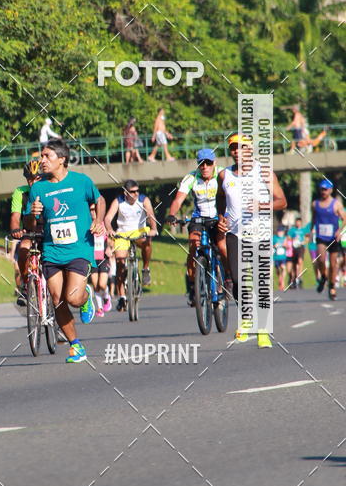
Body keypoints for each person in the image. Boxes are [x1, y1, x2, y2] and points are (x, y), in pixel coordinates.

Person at [26, 139, 105, 363]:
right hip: (52, 250)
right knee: (56, 299)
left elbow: (100, 200)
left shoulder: (81, 181)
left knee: (73, 297)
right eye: (41, 156)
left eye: (46, 156)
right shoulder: (38, 187)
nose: (41, 160)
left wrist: (99, 220)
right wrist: (32, 213)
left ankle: (86, 295)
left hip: (79, 248)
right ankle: (76, 346)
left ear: (61, 159)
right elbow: (30, 224)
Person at [216, 133, 287, 348]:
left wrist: (261, 206)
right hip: (235, 233)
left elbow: (282, 201)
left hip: (260, 234)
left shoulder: (264, 173)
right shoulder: (224, 175)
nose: (237, 152)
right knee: (238, 279)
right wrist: (221, 217)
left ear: (251, 150)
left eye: (241, 148)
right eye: (234, 149)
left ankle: (263, 330)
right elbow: (221, 197)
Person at [166, 148, 228, 307]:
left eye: (208, 163)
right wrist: (172, 214)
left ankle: (228, 279)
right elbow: (178, 200)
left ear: (214, 163)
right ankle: (193, 285)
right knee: (193, 245)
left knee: (222, 247)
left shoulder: (222, 174)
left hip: (218, 218)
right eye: (201, 163)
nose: (205, 167)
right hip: (198, 219)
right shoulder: (191, 178)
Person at [104, 180, 157, 311]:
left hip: (139, 231)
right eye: (132, 192)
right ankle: (122, 297)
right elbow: (108, 218)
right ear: (125, 192)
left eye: (137, 191)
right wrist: (110, 229)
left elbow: (150, 214)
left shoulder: (144, 200)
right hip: (123, 233)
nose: (136, 194)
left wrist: (153, 228)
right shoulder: (118, 201)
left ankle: (145, 269)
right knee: (120, 262)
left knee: (147, 243)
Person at [9, 159, 42, 305]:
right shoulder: (20, 192)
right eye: (29, 179)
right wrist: (15, 230)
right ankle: (25, 286)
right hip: (29, 230)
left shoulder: (50, 189)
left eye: (36, 178)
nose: (32, 182)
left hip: (48, 230)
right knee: (23, 250)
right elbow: (15, 216)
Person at [311, 178, 345, 301]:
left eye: (325, 189)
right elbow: (313, 218)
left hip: (333, 237)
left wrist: (339, 231)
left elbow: (344, 218)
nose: (323, 192)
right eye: (321, 189)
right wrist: (310, 231)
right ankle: (324, 277)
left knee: (333, 264)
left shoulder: (336, 203)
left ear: (330, 190)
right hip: (321, 236)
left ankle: (332, 287)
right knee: (320, 259)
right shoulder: (315, 204)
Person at [90, 202, 113, 316]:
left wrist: (109, 248)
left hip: (103, 257)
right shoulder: (86, 225)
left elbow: (110, 239)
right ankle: (99, 308)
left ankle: (107, 297)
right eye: (91, 210)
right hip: (92, 259)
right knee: (95, 285)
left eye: (95, 209)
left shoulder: (104, 224)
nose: (93, 212)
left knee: (102, 284)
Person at [288, 216, 307, 288]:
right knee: (294, 263)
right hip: (294, 247)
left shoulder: (303, 230)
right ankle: (294, 277)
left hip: (301, 247)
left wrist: (304, 242)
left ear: (301, 223)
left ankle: (299, 276)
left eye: (299, 222)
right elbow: (289, 237)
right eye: (297, 222)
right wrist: (293, 238)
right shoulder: (292, 230)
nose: (298, 223)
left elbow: (307, 237)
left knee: (300, 261)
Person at [273, 223, 288, 292]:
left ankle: (282, 282)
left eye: (281, 231)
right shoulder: (274, 238)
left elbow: (288, 246)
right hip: (276, 257)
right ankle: (280, 279)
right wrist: (274, 246)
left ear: (283, 232)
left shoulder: (285, 238)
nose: (280, 233)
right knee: (278, 270)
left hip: (283, 257)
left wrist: (285, 245)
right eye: (279, 231)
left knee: (283, 268)